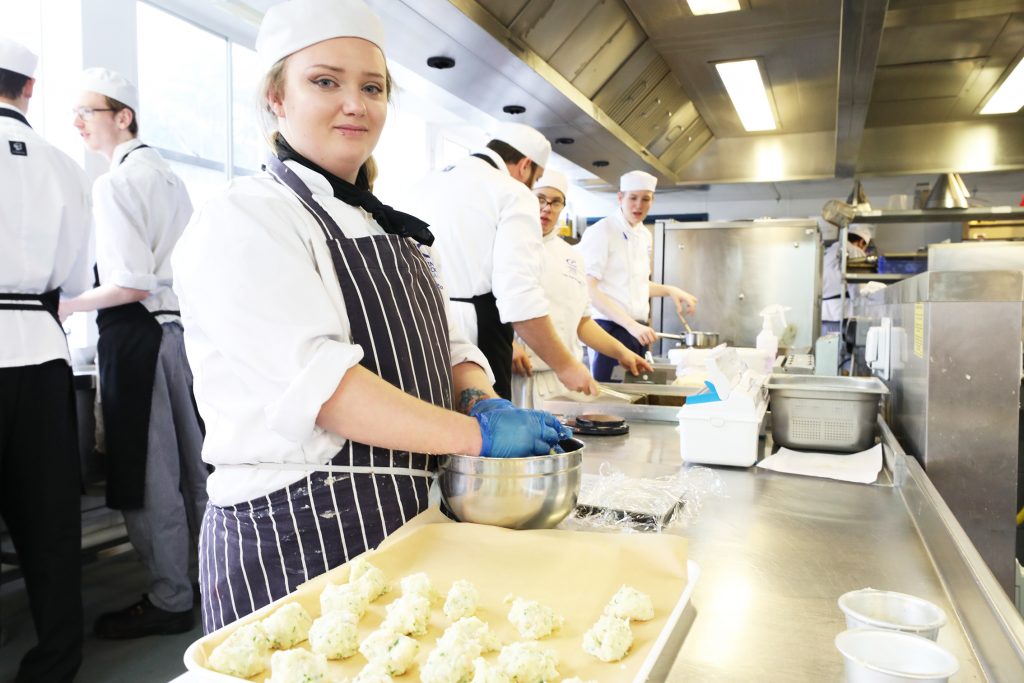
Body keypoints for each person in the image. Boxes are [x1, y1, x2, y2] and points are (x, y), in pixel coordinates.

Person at [171, 0, 570, 633]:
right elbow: (324, 390)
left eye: (372, 87)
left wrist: (481, 398)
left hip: (401, 516)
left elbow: (451, 342)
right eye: (325, 81)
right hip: (294, 530)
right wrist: (478, 439)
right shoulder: (244, 218)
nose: (355, 103)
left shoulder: (394, 225)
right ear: (276, 96)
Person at [58, 68, 207, 639]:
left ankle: (170, 598)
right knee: (194, 472)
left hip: (137, 335)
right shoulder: (169, 176)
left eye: (87, 113)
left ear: (123, 117)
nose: (77, 124)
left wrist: (67, 305)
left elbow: (131, 283)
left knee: (148, 477)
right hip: (176, 336)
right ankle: (200, 580)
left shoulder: (113, 182)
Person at [0, 37, 92, 683]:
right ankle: (56, 664)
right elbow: (71, 273)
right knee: (50, 523)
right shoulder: (65, 166)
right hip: (41, 348)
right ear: (29, 89)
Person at [403, 122, 598, 401]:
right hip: (477, 336)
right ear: (525, 166)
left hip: (417, 326)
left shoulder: (424, 183)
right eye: (536, 179)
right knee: (486, 433)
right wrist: (567, 367)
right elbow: (519, 299)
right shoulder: (512, 192)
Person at [511, 170, 652, 408]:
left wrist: (621, 353)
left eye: (556, 202)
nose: (547, 208)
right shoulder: (509, 246)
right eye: (540, 199)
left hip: (564, 381)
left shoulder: (571, 256)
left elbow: (582, 322)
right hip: (519, 380)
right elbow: (489, 307)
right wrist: (508, 344)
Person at [578, 170, 698, 381]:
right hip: (609, 329)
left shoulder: (644, 235)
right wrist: (630, 325)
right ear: (620, 197)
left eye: (645, 199)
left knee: (634, 393)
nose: (638, 205)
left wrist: (670, 290)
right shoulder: (602, 231)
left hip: (636, 330)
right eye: (633, 198)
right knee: (610, 400)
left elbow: (636, 284)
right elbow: (589, 288)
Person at [821, 223, 884, 337]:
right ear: (861, 242)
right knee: (839, 350)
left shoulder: (830, 250)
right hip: (840, 314)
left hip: (824, 314)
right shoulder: (855, 251)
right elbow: (857, 291)